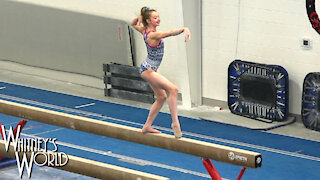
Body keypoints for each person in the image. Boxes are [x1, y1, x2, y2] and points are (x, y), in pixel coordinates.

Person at [130, 7, 191, 138]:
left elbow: (133, 23)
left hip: (150, 68)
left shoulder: (144, 30)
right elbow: (169, 33)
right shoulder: (152, 34)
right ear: (148, 20)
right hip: (148, 69)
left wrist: (139, 19)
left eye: (158, 17)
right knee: (173, 89)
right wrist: (184, 29)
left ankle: (147, 126)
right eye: (155, 18)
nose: (158, 19)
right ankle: (175, 123)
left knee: (162, 97)